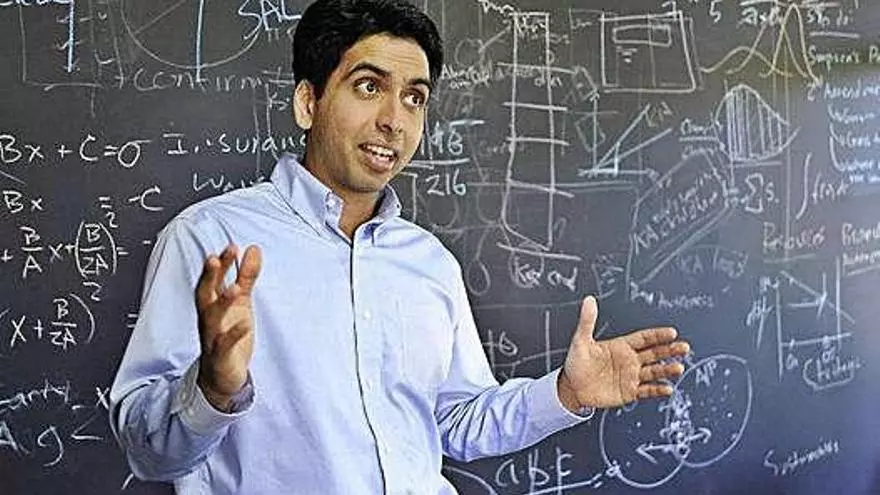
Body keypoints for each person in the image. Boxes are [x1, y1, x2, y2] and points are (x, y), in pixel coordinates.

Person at [109, 0, 690, 493]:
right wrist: (214, 387)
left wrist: (564, 394)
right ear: (308, 103)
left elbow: (454, 421)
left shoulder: (429, 263)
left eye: (414, 97)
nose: (394, 120)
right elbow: (146, 451)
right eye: (369, 87)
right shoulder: (211, 241)